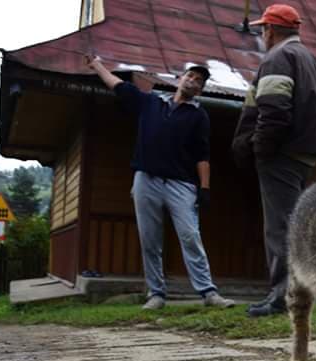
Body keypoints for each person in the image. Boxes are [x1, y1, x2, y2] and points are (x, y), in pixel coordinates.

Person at [85, 55, 235, 310]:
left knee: (190, 235)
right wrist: (97, 65)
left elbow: (202, 156)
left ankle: (209, 293)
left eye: (199, 81)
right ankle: (156, 294)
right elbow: (118, 86)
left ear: (201, 89)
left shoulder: (199, 116)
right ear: (180, 79)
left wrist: (205, 188)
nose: (193, 81)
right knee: (149, 238)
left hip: (182, 185)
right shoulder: (151, 103)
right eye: (190, 76)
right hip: (146, 180)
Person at [232, 4, 316, 317]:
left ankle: (282, 297)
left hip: (281, 154)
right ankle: (300, 291)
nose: (262, 34)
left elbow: (274, 110)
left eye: (263, 29)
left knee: (280, 227)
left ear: (270, 30)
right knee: (295, 224)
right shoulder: (310, 59)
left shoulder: (277, 58)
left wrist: (259, 149)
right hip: (304, 153)